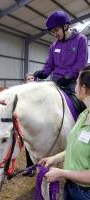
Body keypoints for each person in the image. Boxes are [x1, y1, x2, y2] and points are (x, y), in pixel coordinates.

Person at [39, 67, 90, 200]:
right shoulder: (84, 115)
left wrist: (62, 172)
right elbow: (76, 148)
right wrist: (54, 158)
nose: (75, 86)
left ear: (84, 88)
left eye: (77, 83)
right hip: (72, 186)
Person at [34, 11, 88, 93]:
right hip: (56, 82)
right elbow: (50, 64)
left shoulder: (81, 40)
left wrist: (68, 77)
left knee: (76, 103)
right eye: (53, 32)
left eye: (56, 30)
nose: (55, 34)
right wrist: (44, 73)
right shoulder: (54, 45)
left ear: (65, 26)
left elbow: (81, 63)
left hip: (73, 83)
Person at [22, 73, 36, 177]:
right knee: (28, 146)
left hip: (37, 123)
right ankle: (30, 167)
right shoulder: (23, 93)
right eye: (28, 79)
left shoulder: (39, 92)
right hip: (27, 123)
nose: (30, 80)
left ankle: (37, 167)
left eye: (32, 78)